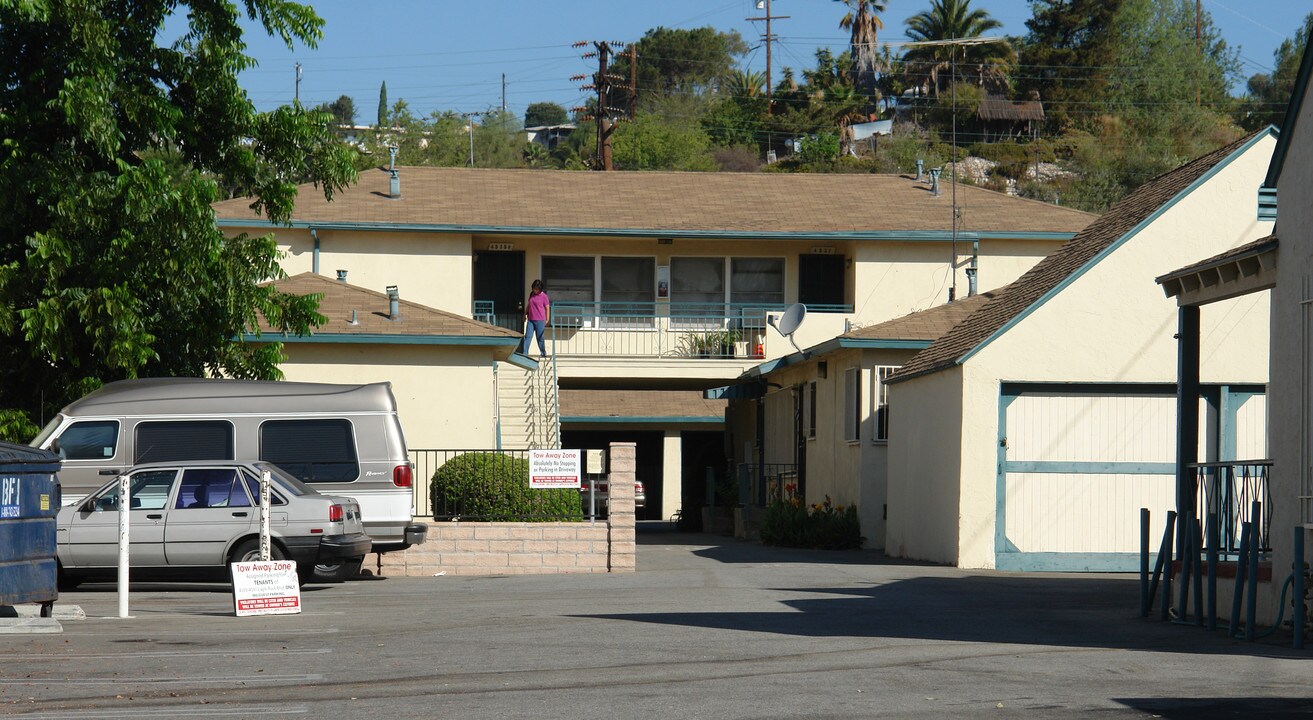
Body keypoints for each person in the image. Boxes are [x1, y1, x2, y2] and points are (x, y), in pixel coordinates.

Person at [520, 279, 550, 357]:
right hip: (531, 319)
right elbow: (529, 305)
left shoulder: (544, 296)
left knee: (540, 337)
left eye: (537, 289)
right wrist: (525, 314)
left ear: (540, 289)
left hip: (540, 320)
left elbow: (547, 308)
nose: (535, 291)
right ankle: (525, 353)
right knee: (528, 336)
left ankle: (543, 352)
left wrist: (547, 319)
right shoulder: (531, 294)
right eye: (534, 289)